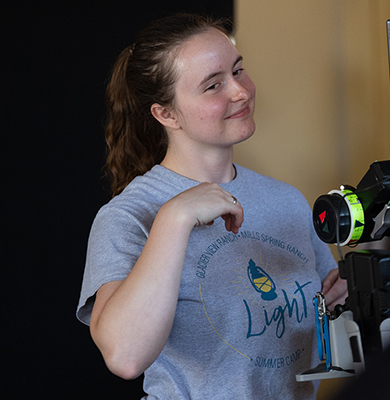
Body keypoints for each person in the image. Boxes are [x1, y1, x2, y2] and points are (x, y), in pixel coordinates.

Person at [76, 13, 347, 399]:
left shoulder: (286, 200)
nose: (240, 92)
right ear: (165, 114)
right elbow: (125, 356)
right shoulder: (129, 215)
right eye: (213, 85)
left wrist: (344, 301)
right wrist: (175, 216)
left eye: (238, 71)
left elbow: (327, 317)